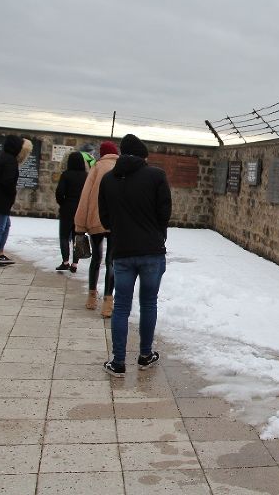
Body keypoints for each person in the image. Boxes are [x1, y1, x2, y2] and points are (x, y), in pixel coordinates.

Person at [98, 134, 171, 376]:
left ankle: (118, 361)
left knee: (121, 307)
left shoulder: (108, 179)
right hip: (151, 250)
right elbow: (164, 212)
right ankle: (145, 354)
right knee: (149, 303)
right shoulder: (156, 176)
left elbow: (105, 218)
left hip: (122, 251)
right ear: (143, 156)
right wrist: (157, 233)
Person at [74, 141, 119, 316]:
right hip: (115, 221)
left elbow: (85, 196)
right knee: (111, 262)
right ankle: (108, 303)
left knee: (96, 259)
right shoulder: (121, 168)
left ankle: (91, 298)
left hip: (96, 219)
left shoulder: (96, 168)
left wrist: (79, 225)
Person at [0, 135, 32, 267]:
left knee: (5, 225)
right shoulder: (10, 161)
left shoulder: (4, 157)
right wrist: (12, 193)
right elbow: (7, 182)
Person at [54, 151, 88, 273]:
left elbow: (59, 193)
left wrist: (63, 203)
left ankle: (65, 262)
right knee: (78, 237)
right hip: (81, 210)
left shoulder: (66, 175)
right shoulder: (86, 176)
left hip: (67, 209)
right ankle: (75, 264)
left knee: (64, 236)